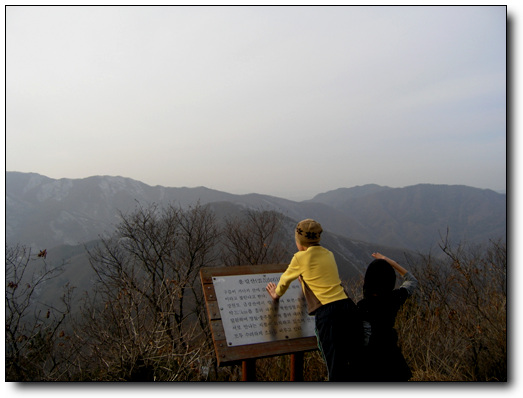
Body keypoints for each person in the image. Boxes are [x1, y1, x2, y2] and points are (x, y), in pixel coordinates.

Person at [266, 219, 363, 381]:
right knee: (353, 362)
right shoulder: (329, 253)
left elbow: (284, 280)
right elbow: (322, 278)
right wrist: (305, 281)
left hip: (328, 313)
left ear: (300, 242)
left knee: (335, 366)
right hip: (348, 307)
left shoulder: (299, 258)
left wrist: (276, 294)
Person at [357, 252, 418, 382]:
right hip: (394, 364)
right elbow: (412, 281)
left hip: (368, 368)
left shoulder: (360, 308)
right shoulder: (393, 300)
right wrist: (389, 261)